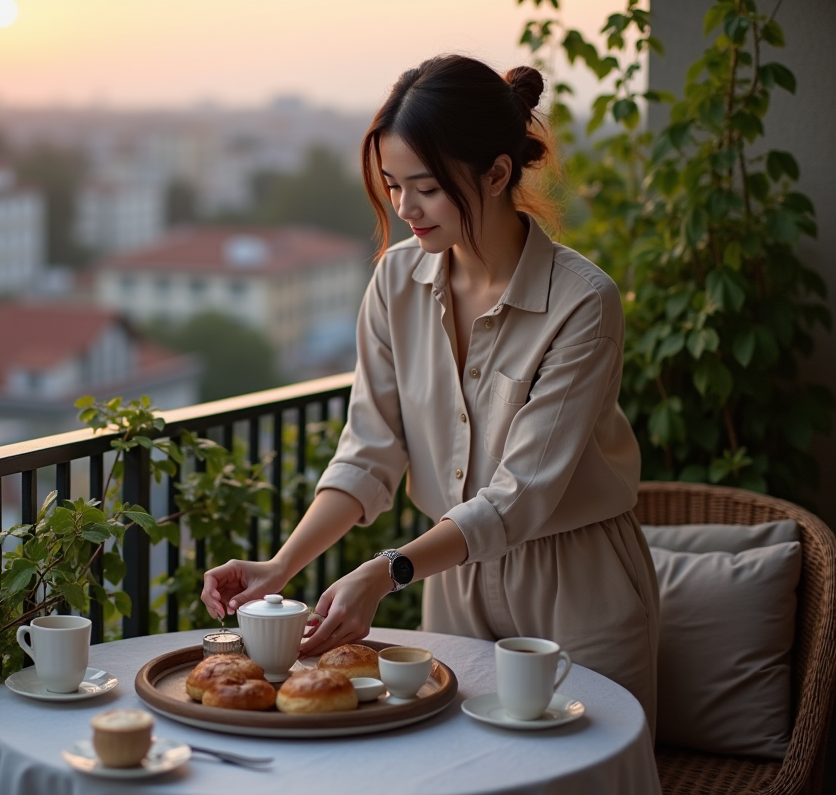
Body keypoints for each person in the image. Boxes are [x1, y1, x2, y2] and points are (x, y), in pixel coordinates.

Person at [200, 54, 659, 734]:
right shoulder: (394, 282)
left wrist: (386, 571)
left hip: (576, 584)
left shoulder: (583, 302)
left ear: (497, 175)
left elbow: (522, 493)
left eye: (426, 188)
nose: (404, 208)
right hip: (451, 582)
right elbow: (369, 453)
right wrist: (282, 564)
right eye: (391, 185)